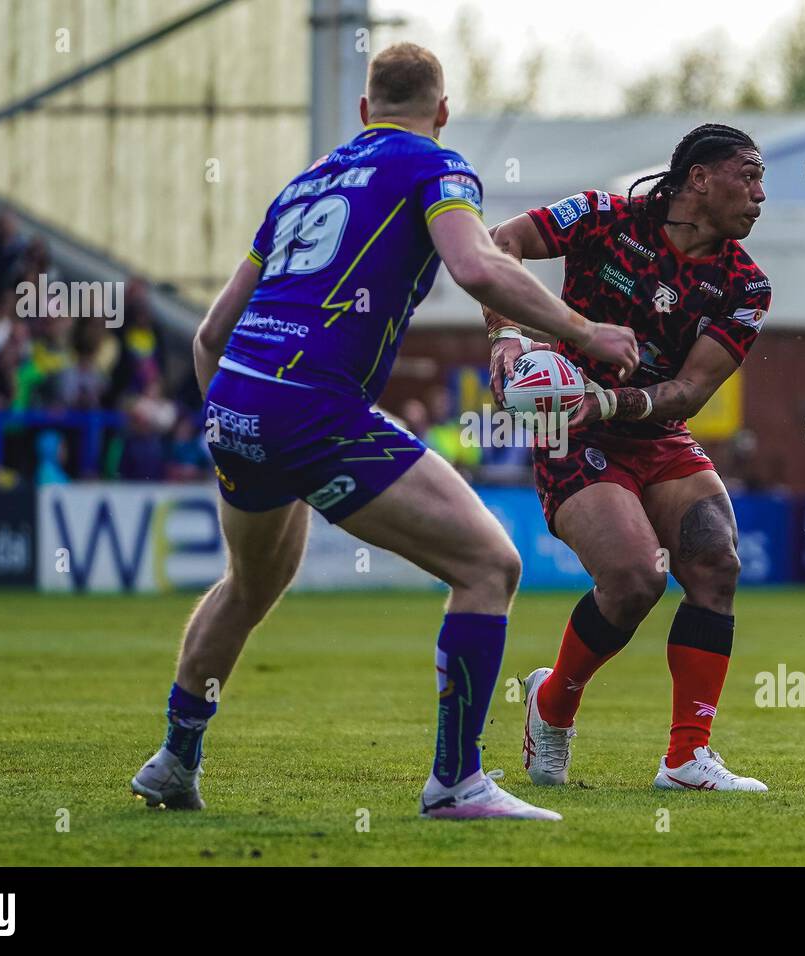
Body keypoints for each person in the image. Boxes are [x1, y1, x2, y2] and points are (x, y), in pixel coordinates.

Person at [129, 42, 638, 820]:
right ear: (441, 112)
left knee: (249, 585)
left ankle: (175, 758)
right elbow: (475, 267)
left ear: (364, 111)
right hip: (310, 404)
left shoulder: (300, 187)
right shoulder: (435, 166)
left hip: (235, 398)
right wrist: (586, 331)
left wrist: (243, 429)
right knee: (489, 565)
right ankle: (456, 782)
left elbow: (206, 336)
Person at [485, 123, 772, 793]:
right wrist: (506, 338)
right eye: (750, 177)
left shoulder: (745, 286)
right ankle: (552, 706)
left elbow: (692, 391)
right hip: (570, 432)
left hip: (650, 427)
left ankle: (685, 760)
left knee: (715, 561)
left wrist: (610, 402)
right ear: (700, 178)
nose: (761, 195)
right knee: (636, 581)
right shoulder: (602, 217)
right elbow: (502, 243)